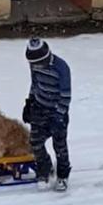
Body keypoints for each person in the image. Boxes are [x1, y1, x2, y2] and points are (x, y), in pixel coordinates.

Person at [22, 38, 72, 192]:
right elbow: (35, 83)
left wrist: (59, 115)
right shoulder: (35, 65)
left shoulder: (61, 68)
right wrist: (29, 102)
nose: (36, 66)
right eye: (33, 63)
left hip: (57, 111)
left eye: (39, 63)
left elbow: (65, 95)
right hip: (39, 107)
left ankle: (63, 175)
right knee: (35, 141)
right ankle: (45, 170)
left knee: (60, 145)